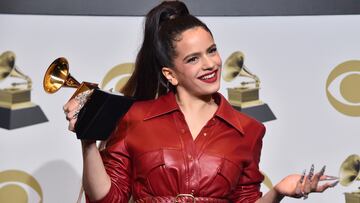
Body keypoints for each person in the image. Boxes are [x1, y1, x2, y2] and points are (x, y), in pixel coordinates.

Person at [63, 1, 338, 202]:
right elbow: (109, 199)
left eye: (212, 51)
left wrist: (278, 191)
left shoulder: (249, 130)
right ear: (170, 74)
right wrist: (88, 139)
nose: (210, 64)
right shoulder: (135, 117)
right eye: (193, 59)